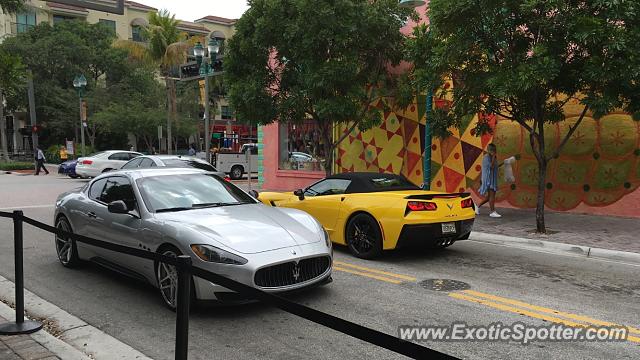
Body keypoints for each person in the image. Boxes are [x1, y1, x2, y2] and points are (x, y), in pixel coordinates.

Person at [476, 143, 501, 218]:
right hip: (488, 180)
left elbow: (495, 166)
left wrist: (505, 163)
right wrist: (493, 157)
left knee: (489, 196)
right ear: (489, 150)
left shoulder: (492, 157)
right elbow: (491, 167)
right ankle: (492, 211)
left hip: (492, 178)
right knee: (492, 195)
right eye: (493, 150)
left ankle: (477, 206)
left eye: (495, 150)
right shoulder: (486, 157)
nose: (494, 151)